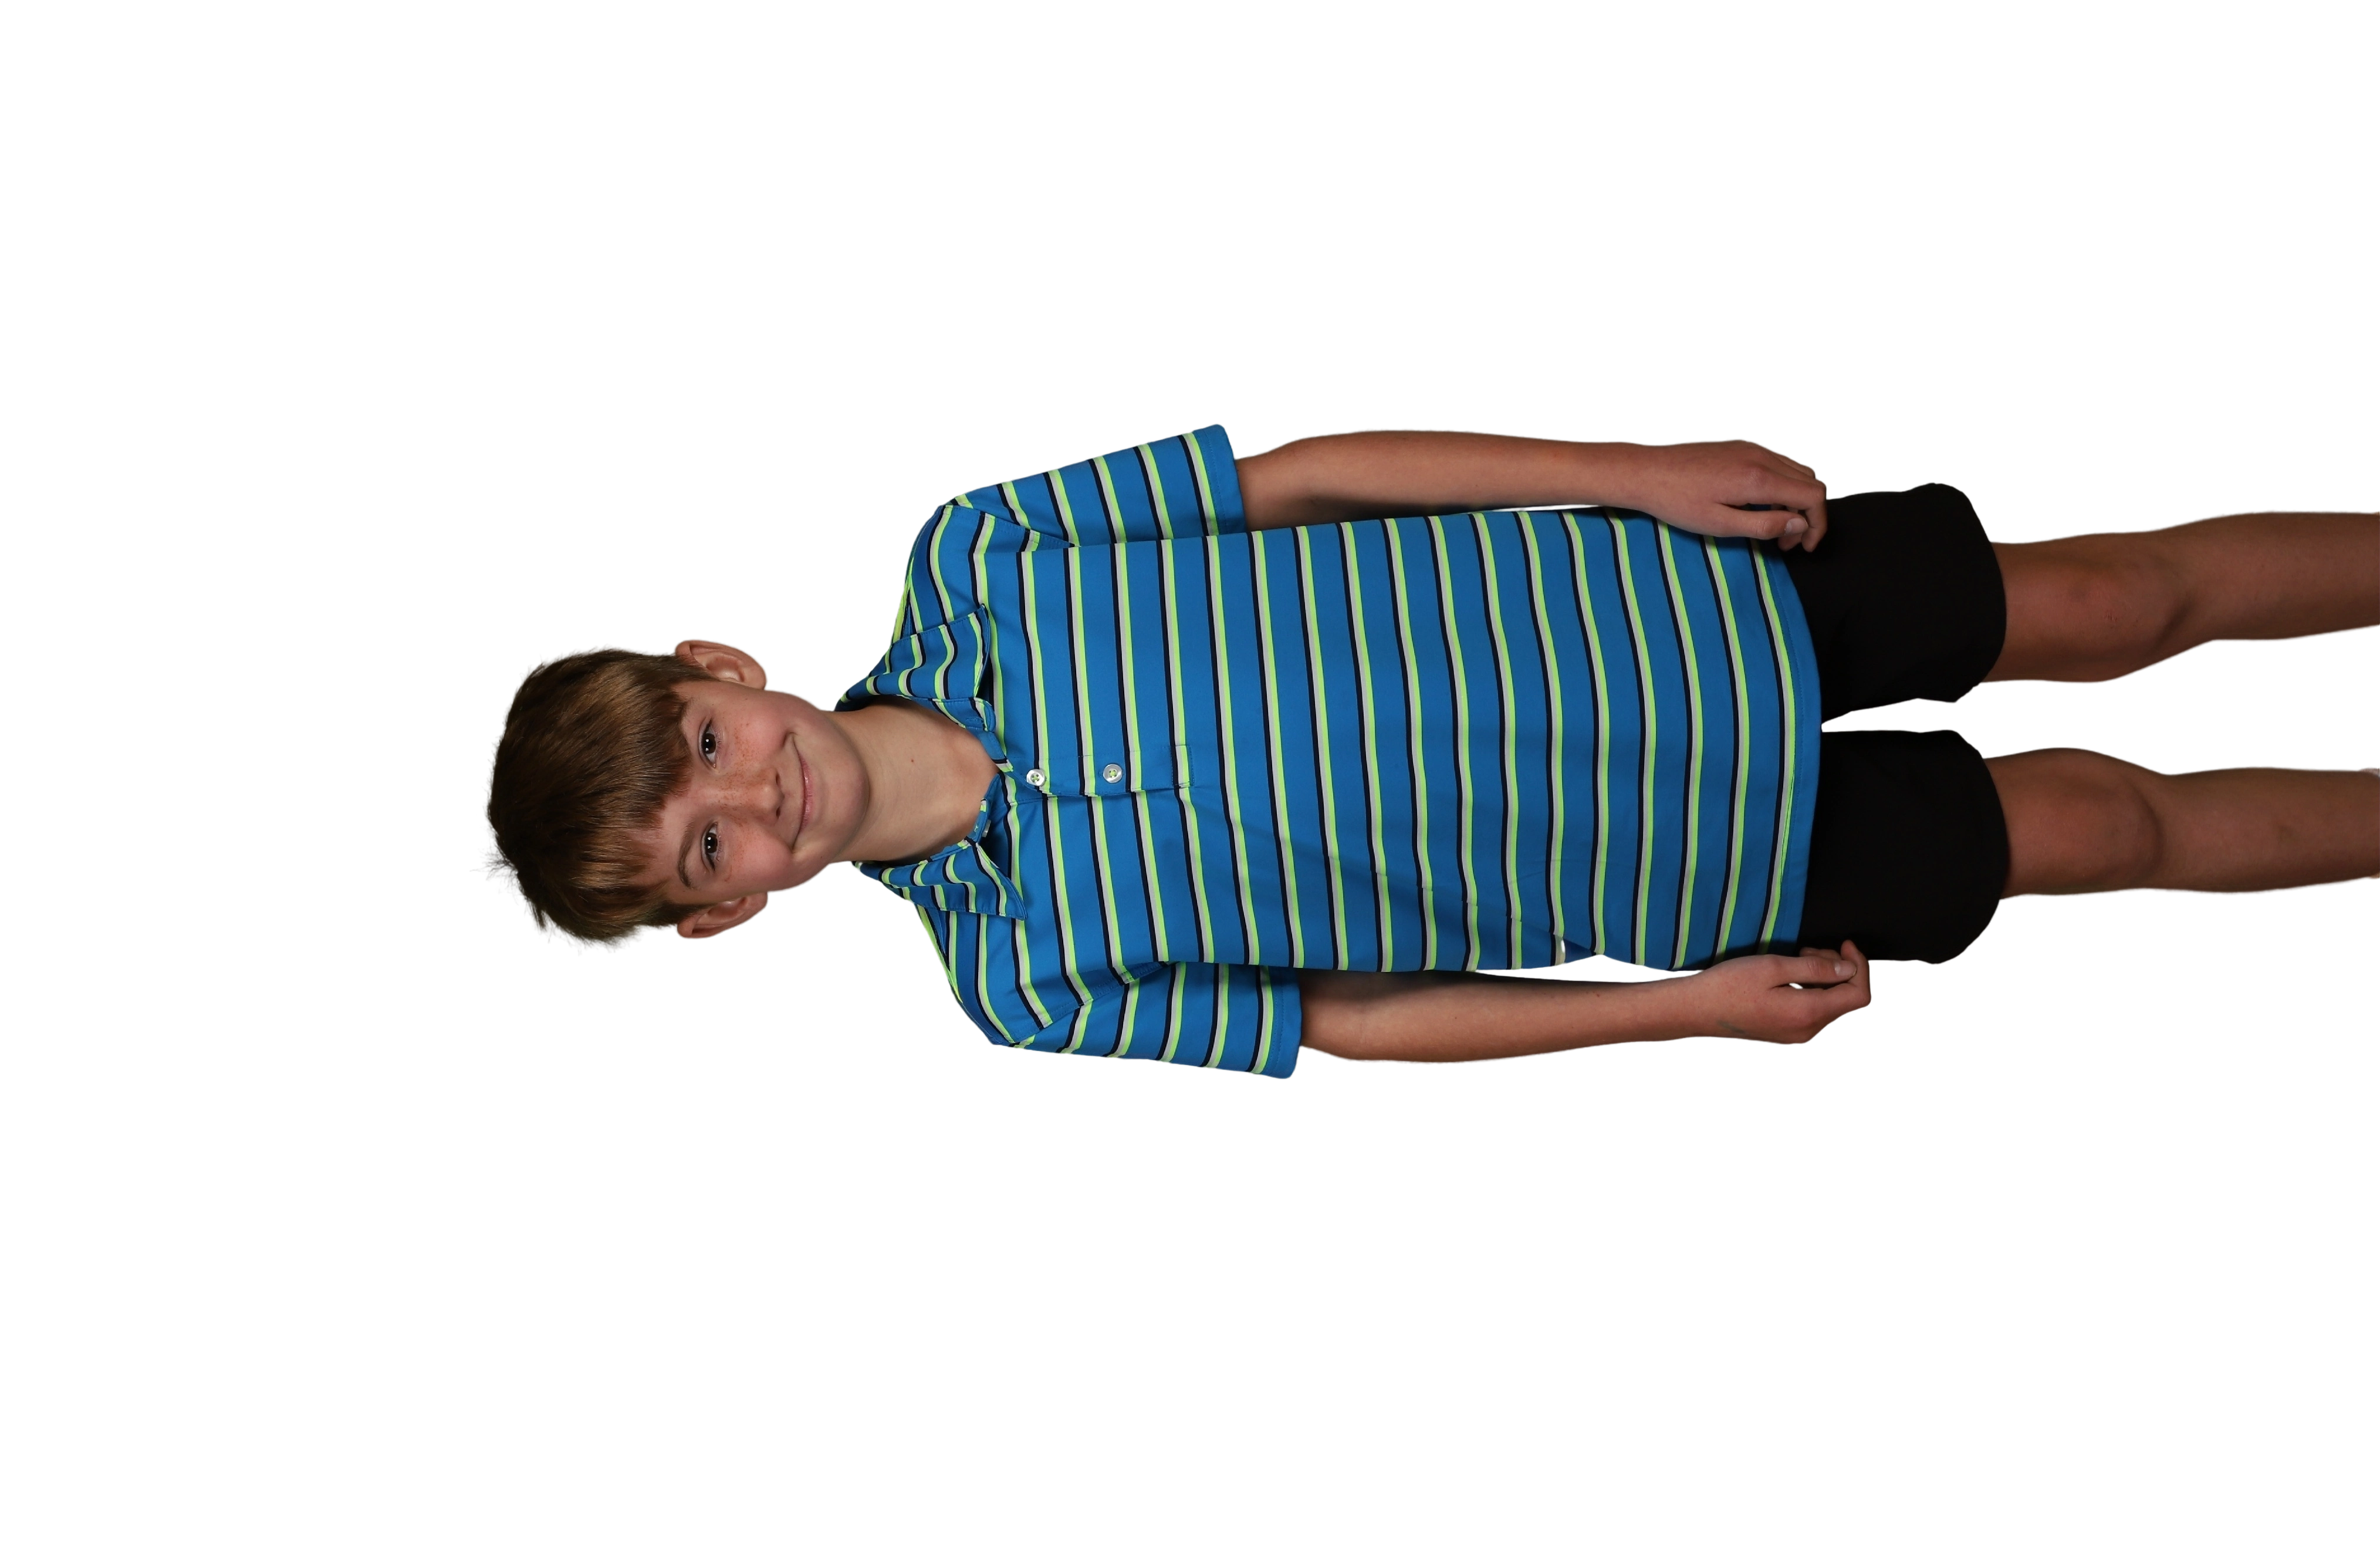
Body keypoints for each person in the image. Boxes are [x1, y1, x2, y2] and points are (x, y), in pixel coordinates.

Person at [472, 426, 2380, 1077]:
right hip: (1699, 866)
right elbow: (1359, 1024)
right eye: (707, 848)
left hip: (1677, 601)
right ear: (725, 918)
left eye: (707, 743)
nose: (756, 794)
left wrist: (1640, 477)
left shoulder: (989, 550)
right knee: (2109, 829)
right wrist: (1688, 1008)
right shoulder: (1029, 985)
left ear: (722, 666)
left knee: (2118, 598)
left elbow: (1311, 479)